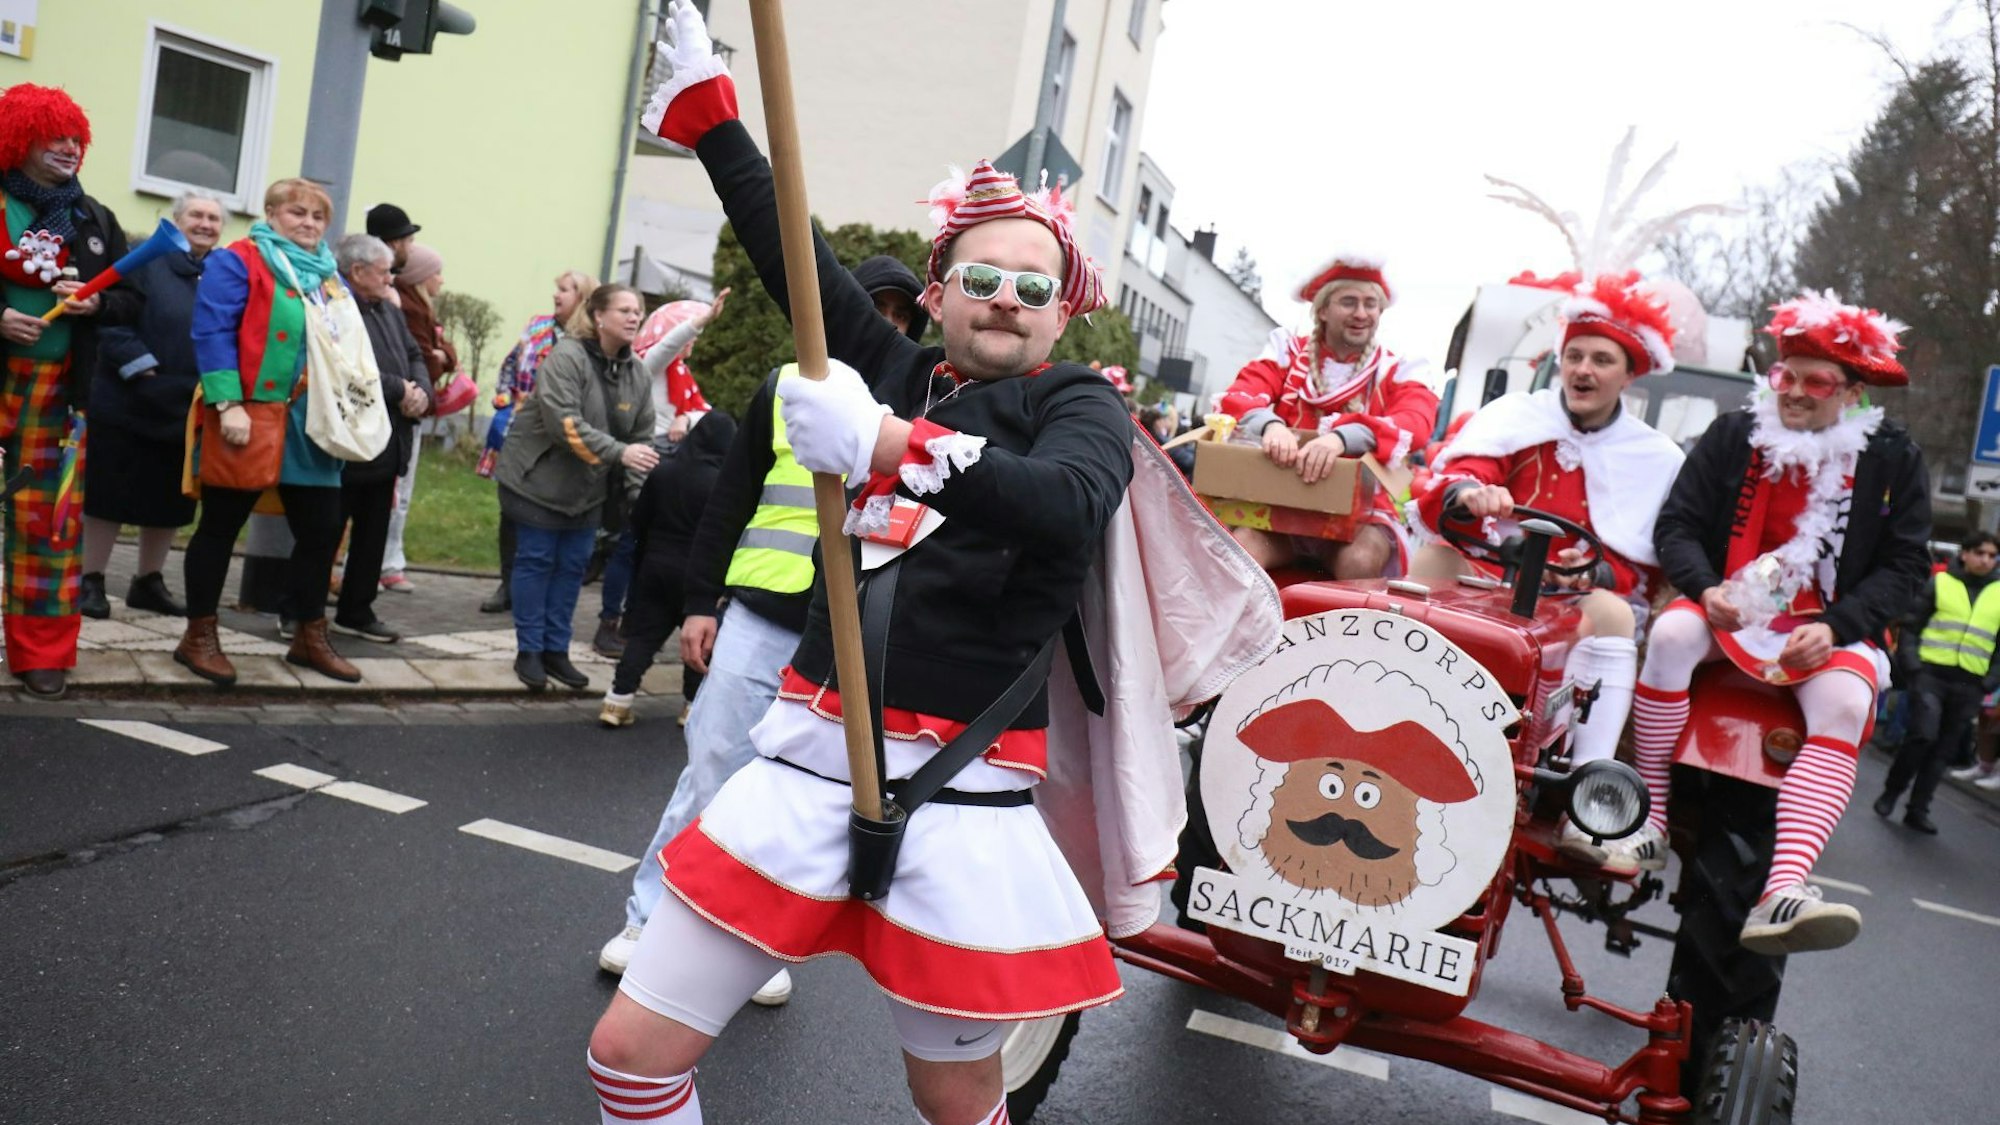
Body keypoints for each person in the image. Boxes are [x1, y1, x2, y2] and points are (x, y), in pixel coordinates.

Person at [587, 8, 1136, 1121]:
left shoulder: (1077, 405)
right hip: (802, 762)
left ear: (1063, 316)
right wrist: (709, 125)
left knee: (955, 1106)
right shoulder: (890, 365)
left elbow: (1065, 504)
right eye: (983, 277)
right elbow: (795, 253)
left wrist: (893, 450)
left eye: (1035, 290)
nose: (1005, 301)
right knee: (630, 1053)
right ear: (935, 294)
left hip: (963, 794)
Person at [595, 259, 929, 993]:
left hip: (851, 639)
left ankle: (755, 944)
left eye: (901, 316)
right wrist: (699, 602)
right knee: (711, 769)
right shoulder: (782, 387)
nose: (886, 325)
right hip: (761, 617)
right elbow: (730, 500)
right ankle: (648, 919)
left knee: (806, 798)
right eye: (874, 308)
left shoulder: (917, 407)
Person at [1632, 290, 1929, 956]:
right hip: (1727, 609)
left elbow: (1906, 564)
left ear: (1850, 391)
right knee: (1672, 636)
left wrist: (1838, 622)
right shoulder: (1736, 435)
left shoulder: (1891, 457)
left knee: (1849, 702)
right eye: (1784, 376)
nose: (1792, 392)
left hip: (1826, 628)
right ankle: (1646, 817)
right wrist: (1707, 589)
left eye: (1813, 381)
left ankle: (1784, 888)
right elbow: (1677, 525)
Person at [1410, 273, 1686, 873]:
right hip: (1490, 576)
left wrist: (1589, 572)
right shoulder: (1515, 416)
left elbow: (1642, 559)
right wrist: (1472, 493)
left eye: (1601, 360)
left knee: (1612, 615)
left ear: (1628, 375)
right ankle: (1388, 708)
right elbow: (1456, 476)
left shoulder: (1656, 458)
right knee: (1428, 561)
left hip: (1574, 602)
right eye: (1575, 356)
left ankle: (1584, 801)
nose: (1584, 370)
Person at [173, 177, 361, 687]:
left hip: (310, 420)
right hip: (248, 412)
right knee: (220, 525)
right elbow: (211, 330)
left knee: (322, 530)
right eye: (297, 212)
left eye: (318, 216)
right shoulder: (236, 260)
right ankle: (198, 636)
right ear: (272, 213)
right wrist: (227, 403)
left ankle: (308, 635)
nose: (308, 223)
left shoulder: (329, 276)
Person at [1, 84, 132, 699]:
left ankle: (41, 654)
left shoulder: (93, 217)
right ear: (19, 137)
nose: (70, 147)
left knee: (45, 525)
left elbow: (134, 296)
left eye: (77, 136)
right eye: (55, 135)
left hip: (54, 393)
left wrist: (97, 301)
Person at [1213, 252, 1438, 578]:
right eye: (1348, 302)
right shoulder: (1288, 351)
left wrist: (1342, 438)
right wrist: (1270, 426)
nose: (1362, 313)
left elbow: (1416, 422)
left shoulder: (1399, 368)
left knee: (1359, 560)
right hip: (1283, 505)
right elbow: (1240, 395)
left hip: (1363, 516)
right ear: (1321, 310)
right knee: (1242, 551)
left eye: (1371, 304)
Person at [492, 282, 654, 693]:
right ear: (599, 316)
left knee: (571, 568)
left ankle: (555, 651)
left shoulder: (637, 373)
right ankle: (529, 650)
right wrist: (620, 454)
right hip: (537, 483)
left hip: (587, 491)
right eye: (624, 310)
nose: (635, 317)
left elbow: (643, 438)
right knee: (537, 560)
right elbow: (565, 425)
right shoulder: (567, 357)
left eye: (638, 310)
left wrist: (637, 498)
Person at [78, 189, 224, 622]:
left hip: (185, 404)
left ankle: (148, 582)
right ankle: (91, 579)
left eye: (214, 219)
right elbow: (112, 314)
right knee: (109, 494)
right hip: (128, 396)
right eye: (196, 215)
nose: (205, 224)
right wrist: (141, 367)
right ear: (176, 220)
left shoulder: (218, 271)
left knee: (169, 499)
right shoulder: (143, 256)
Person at [594, 290, 730, 659]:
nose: (693, 345)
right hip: (646, 453)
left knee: (651, 543)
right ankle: (610, 621)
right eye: (691, 338)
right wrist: (698, 321)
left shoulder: (682, 374)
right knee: (630, 542)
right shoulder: (646, 366)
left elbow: (706, 414)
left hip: (672, 460)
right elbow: (667, 348)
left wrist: (688, 417)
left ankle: (633, 620)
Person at [598, 408, 735, 725]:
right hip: (699, 576)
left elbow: (639, 522)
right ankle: (690, 707)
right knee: (697, 644)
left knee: (643, 639)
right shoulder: (723, 485)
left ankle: (617, 701)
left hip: (655, 568)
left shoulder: (663, 473)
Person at [330, 234, 432, 645]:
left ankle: (356, 611)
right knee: (327, 530)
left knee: (373, 535)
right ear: (357, 272)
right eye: (384, 270)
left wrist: (420, 391)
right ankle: (297, 610)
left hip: (389, 441)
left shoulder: (387, 309)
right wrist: (400, 390)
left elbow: (414, 354)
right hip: (349, 441)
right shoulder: (336, 308)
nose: (391, 277)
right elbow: (344, 366)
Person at [480, 269, 599, 614]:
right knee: (512, 509)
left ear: (582, 298)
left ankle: (536, 589)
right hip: (523, 435)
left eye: (564, 290)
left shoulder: (588, 342)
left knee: (545, 514)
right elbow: (509, 367)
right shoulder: (537, 327)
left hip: (563, 441)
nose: (556, 295)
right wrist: (503, 402)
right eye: (556, 289)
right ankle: (508, 584)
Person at [1871, 532, 2000, 833]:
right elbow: (1911, 627)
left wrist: (1990, 680)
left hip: (1970, 682)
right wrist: (1913, 666)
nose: (1986, 560)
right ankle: (1892, 791)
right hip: (1931, 675)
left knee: (1943, 749)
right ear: (1965, 554)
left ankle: (1918, 809)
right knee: (1922, 735)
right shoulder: (1940, 583)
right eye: (1980, 553)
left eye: (1992, 555)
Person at [380, 243, 452, 595]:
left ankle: (389, 561)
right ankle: (385, 564)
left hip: (415, 406)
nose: (441, 279)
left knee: (399, 492)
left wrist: (440, 355)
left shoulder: (422, 308)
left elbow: (445, 352)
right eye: (437, 272)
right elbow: (426, 357)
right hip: (403, 408)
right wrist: (437, 357)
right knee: (396, 492)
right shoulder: (408, 308)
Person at [364, 202, 419, 275]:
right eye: (410, 241)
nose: (412, 249)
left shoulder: (364, 277)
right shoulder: (372, 283)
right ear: (395, 243)